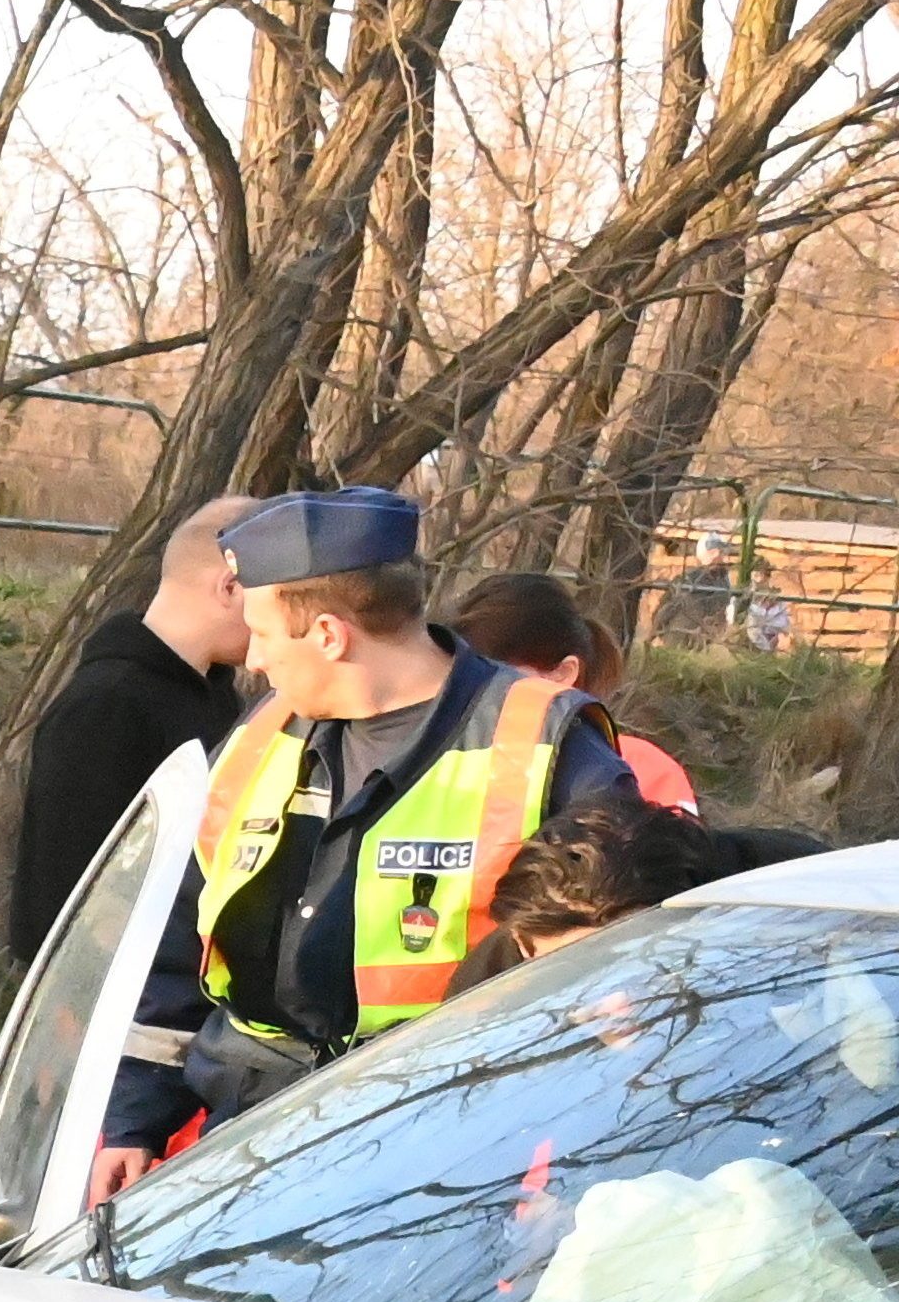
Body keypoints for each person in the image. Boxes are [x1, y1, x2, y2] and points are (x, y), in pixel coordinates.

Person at [111, 485, 641, 1185]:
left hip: (442, 1160)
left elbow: (614, 985)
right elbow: (178, 944)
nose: (255, 661)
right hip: (246, 1149)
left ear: (330, 635)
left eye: (265, 634)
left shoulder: (548, 750)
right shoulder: (257, 740)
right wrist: (131, 1121)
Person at [6, 491, 256, 959]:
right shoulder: (105, 708)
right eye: (270, 596)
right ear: (228, 587)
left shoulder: (218, 697)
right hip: (119, 1009)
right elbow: (61, 903)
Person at [437, 795, 764, 994]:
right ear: (524, 946)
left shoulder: (786, 914)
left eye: (633, 963)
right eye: (574, 976)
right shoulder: (483, 1006)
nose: (616, 1003)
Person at [446, 570, 698, 811]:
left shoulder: (645, 769)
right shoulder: (442, 757)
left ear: (563, 674)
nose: (475, 692)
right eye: (463, 675)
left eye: (498, 678)